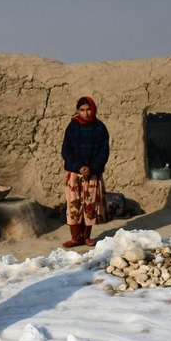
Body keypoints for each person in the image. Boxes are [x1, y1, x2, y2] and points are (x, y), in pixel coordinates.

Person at [61, 96, 110, 247]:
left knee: (90, 205)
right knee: (75, 205)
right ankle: (76, 238)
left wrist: (92, 168)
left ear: (93, 109)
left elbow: (104, 152)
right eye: (82, 110)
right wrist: (78, 166)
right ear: (77, 111)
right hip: (75, 174)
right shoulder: (72, 127)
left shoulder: (100, 128)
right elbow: (66, 151)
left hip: (92, 174)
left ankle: (87, 236)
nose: (86, 113)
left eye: (88, 109)